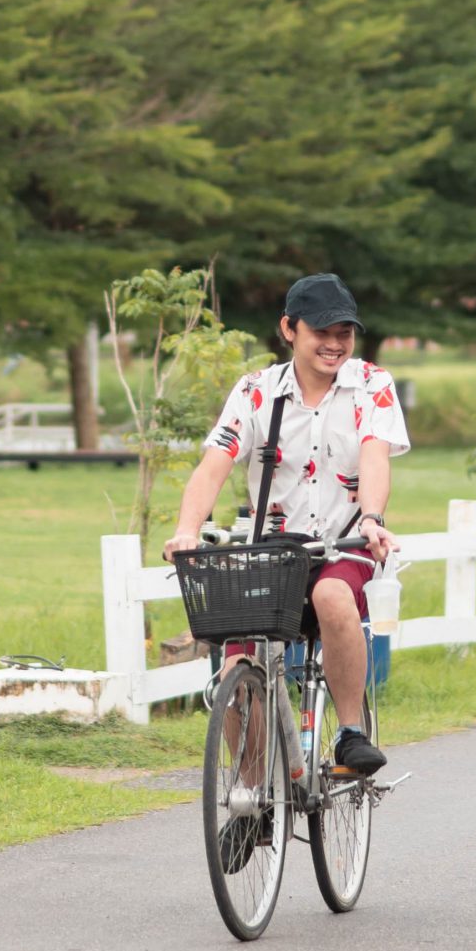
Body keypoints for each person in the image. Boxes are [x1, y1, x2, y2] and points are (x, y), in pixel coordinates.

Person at [167, 272, 409, 776]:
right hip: (271, 552)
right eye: (322, 331)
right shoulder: (257, 391)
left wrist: (371, 517)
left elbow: (374, 456)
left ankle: (348, 733)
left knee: (331, 596)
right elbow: (215, 462)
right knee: (236, 670)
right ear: (289, 329)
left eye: (344, 332)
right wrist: (187, 529)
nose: (335, 344)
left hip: (344, 542)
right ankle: (250, 795)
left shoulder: (371, 384)